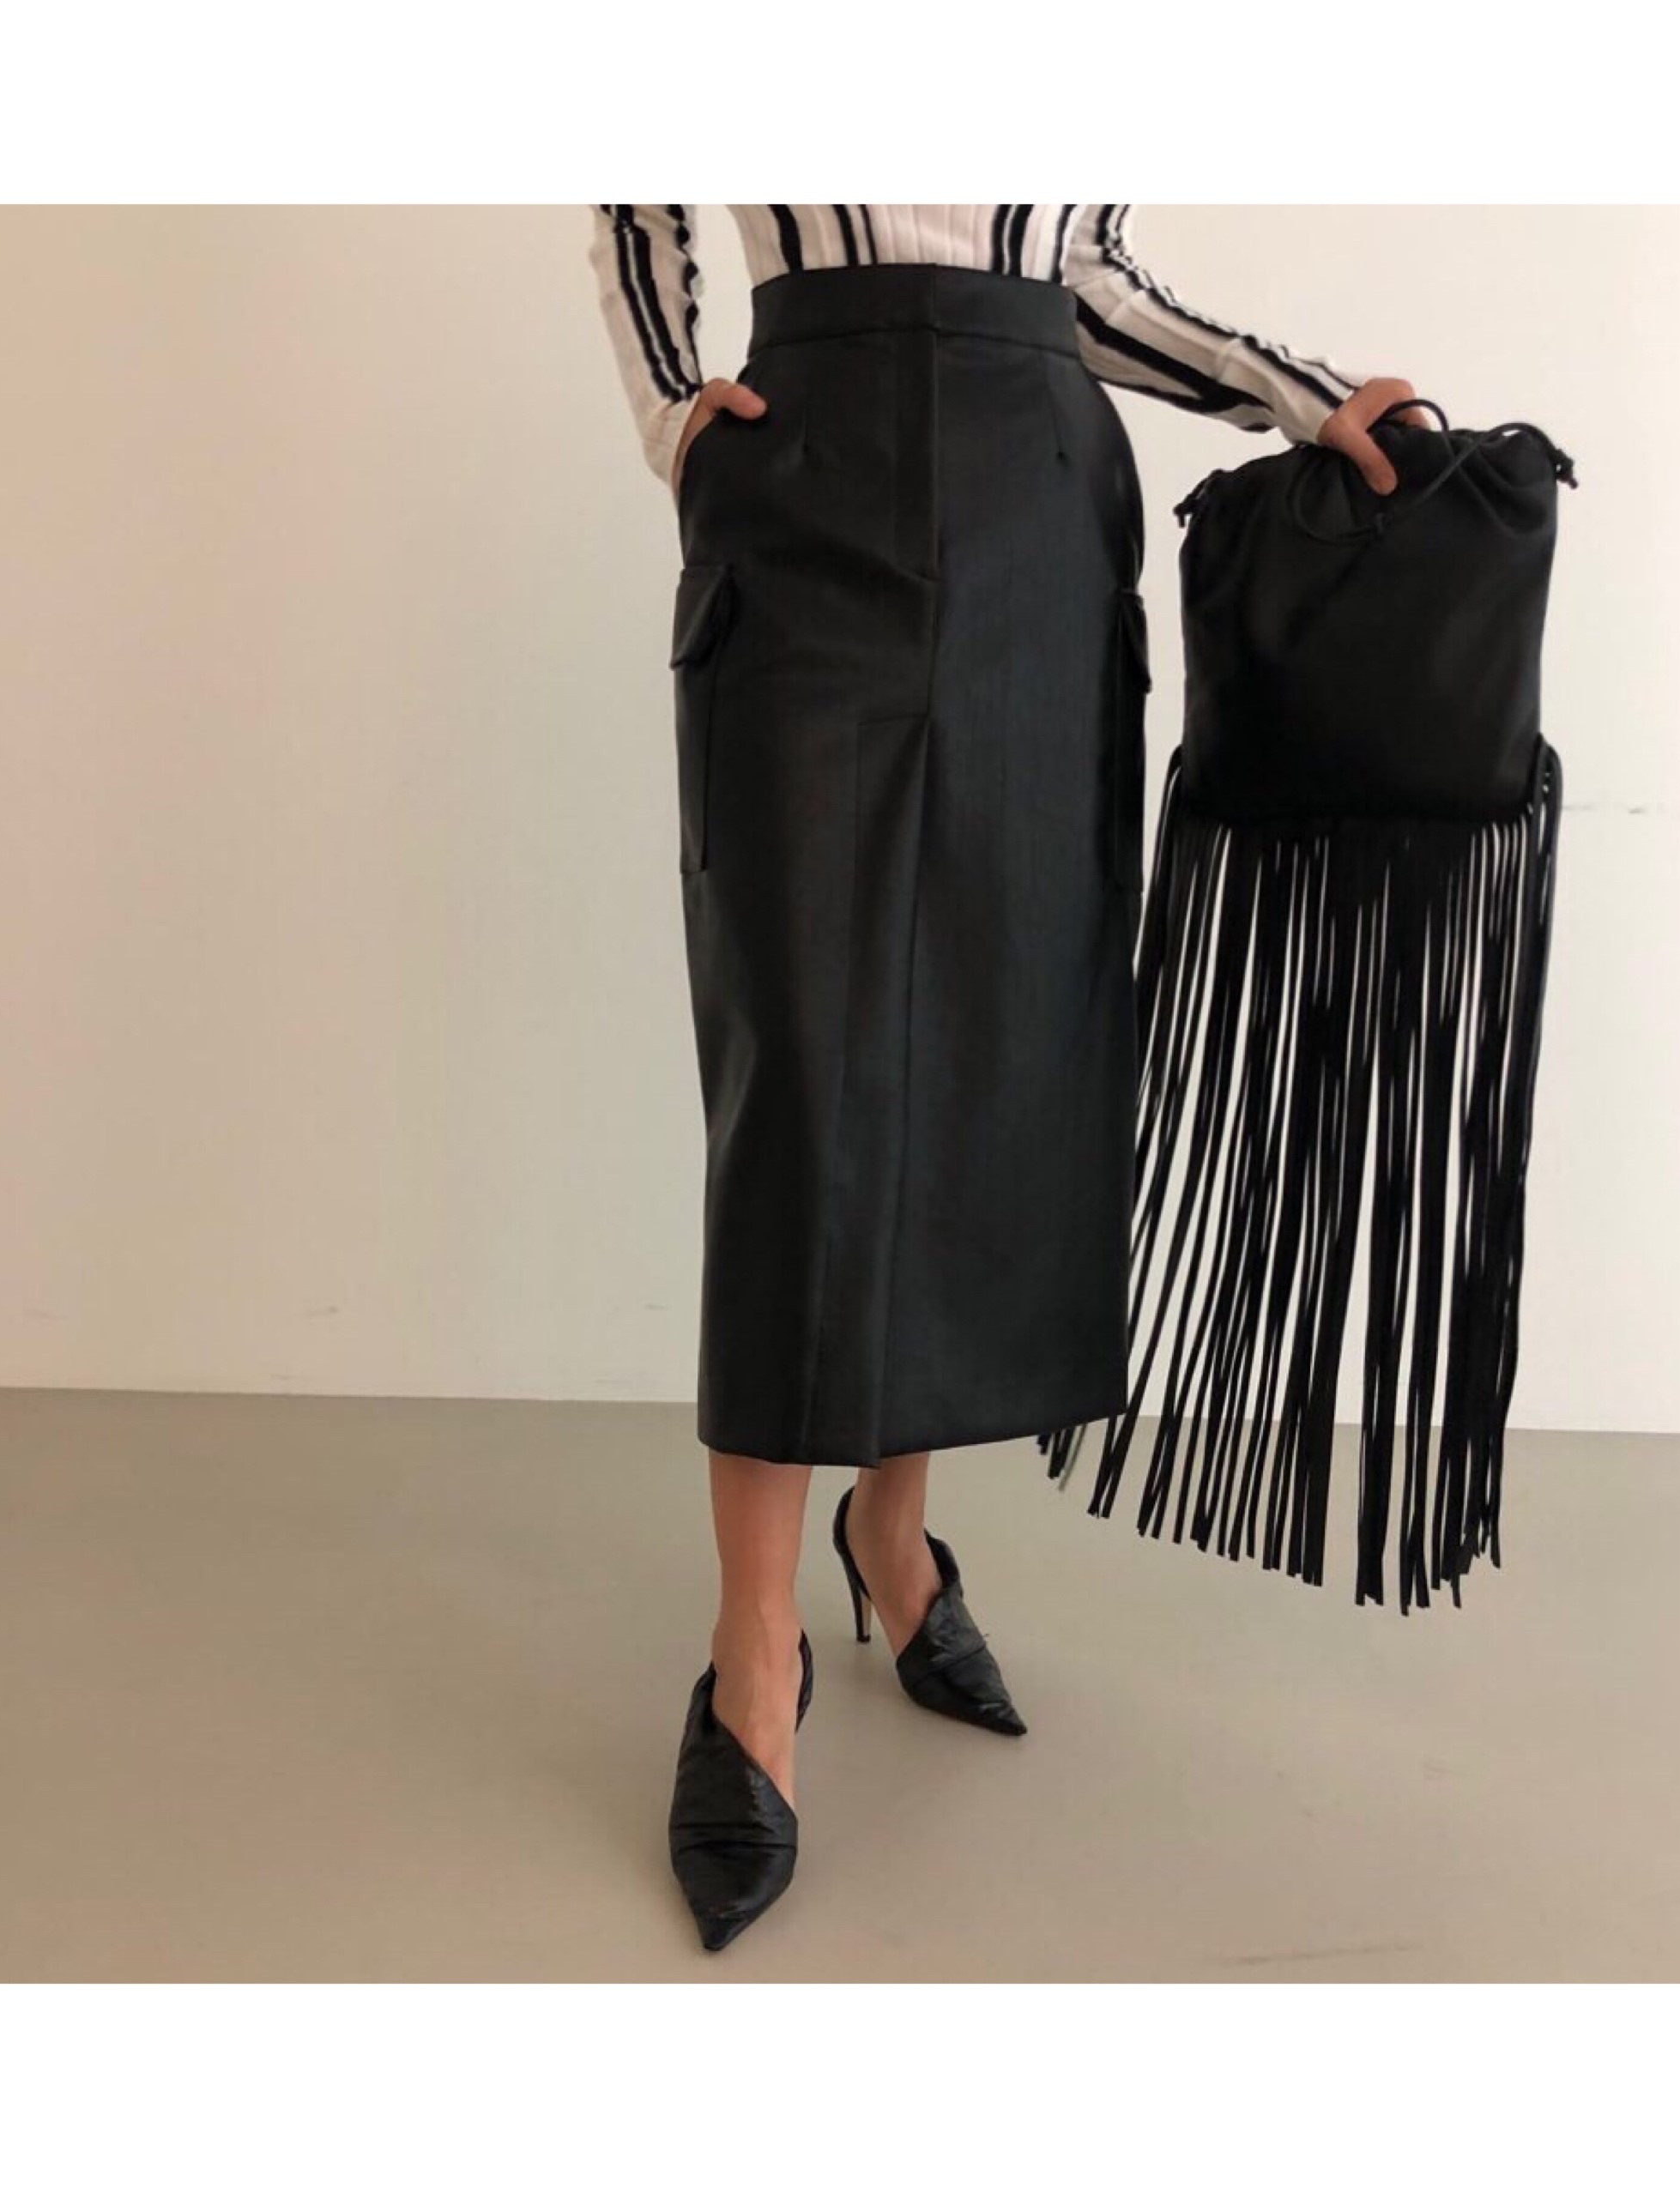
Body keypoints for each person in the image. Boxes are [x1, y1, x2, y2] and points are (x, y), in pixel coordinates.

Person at [589, 204, 1424, 1951]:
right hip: (803, 480)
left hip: (1039, 505)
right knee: (805, 1069)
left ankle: (894, 1541)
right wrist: (675, 407)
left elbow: (1089, 278)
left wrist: (1304, 395)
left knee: (995, 1029)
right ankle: (753, 1654)